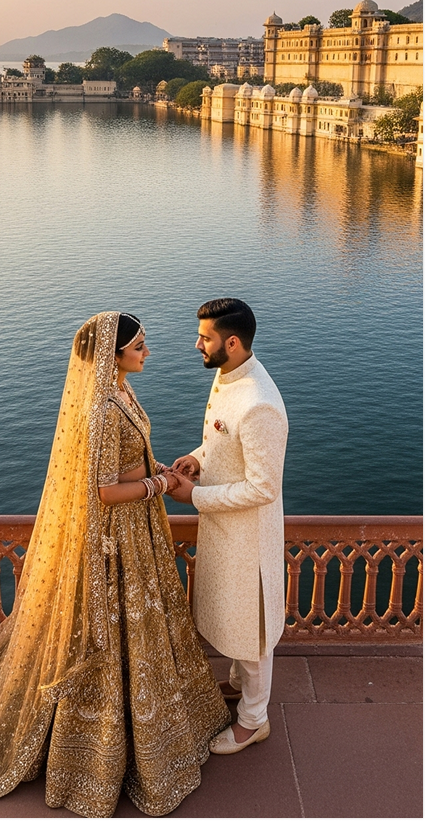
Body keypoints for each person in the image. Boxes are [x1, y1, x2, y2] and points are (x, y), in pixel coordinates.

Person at [0, 311, 229, 815]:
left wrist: (162, 465)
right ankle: (96, 757)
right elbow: (102, 491)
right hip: (115, 540)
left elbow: (127, 458)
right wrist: (160, 486)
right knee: (106, 634)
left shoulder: (121, 390)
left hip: (139, 534)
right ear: (111, 355)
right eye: (138, 345)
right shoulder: (100, 408)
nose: (147, 351)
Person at [170, 298, 288, 755]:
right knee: (237, 620)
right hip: (224, 528)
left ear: (232, 343)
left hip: (247, 539)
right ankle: (241, 688)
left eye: (206, 338)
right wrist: (197, 459)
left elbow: (263, 488)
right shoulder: (228, 377)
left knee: (253, 630)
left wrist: (194, 496)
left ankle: (253, 721)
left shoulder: (259, 403)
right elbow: (219, 440)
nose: (197, 344)